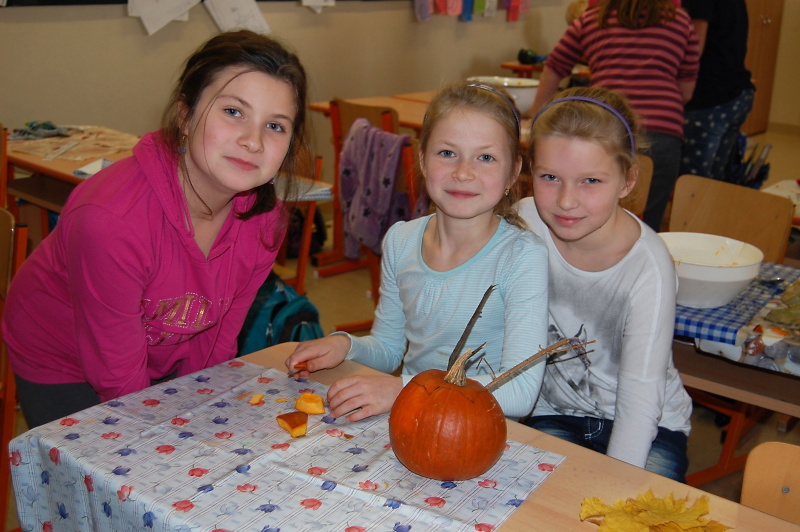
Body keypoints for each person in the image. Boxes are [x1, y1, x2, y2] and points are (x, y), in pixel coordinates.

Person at [2, 30, 313, 428]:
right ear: (185, 115)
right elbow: (116, 374)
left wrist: (197, 410)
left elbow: (218, 341)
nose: (253, 141)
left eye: (275, 126)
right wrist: (158, 433)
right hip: (63, 356)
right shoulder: (111, 220)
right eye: (233, 112)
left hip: (157, 346)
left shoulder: (265, 220)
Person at [286, 81, 549, 423]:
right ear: (422, 160)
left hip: (483, 428)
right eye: (447, 153)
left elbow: (521, 391)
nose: (463, 172)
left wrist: (403, 389)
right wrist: (346, 346)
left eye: (485, 157)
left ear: (513, 172)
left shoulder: (522, 256)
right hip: (412, 417)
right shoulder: (401, 240)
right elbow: (389, 348)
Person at [516, 87, 692, 482]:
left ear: (627, 181)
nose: (566, 201)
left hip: (650, 425)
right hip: (554, 413)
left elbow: (640, 401)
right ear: (531, 171)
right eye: (550, 177)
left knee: (631, 509)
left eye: (590, 181)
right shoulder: (524, 223)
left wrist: (616, 489)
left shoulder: (648, 265)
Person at [526, 0, 699, 232]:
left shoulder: (592, 18)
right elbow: (687, 89)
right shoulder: (680, 20)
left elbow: (554, 67)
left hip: (600, 129)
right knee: (647, 224)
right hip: (663, 129)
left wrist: (537, 118)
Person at [680, 0, 755, 183]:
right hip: (735, 93)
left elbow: (694, 46)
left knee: (692, 184)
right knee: (714, 181)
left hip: (709, 97)